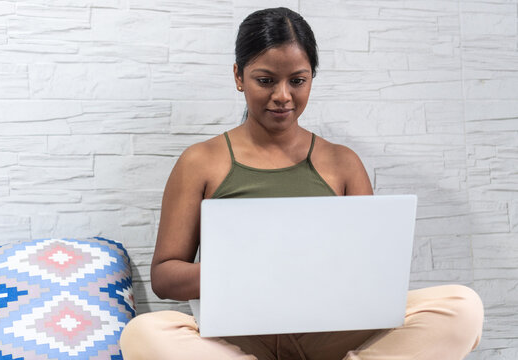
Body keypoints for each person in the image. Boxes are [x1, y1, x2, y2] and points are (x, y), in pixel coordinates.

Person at [120, 7, 484, 360]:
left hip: (331, 337)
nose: (283, 96)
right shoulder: (200, 160)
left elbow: (371, 274)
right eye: (265, 81)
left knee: (462, 307)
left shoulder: (343, 163)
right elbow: (165, 276)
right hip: (239, 338)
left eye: (297, 80)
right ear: (237, 77)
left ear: (311, 77)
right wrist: (251, 270)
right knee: (143, 334)